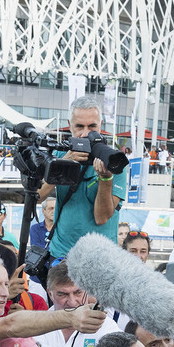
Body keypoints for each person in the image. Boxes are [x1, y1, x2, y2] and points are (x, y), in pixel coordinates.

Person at [39, 96, 126, 259]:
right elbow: (38, 196)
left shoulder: (114, 161)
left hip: (101, 258)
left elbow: (101, 218)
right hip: (61, 255)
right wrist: (63, 164)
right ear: (69, 125)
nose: (86, 133)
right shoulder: (59, 154)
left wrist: (106, 179)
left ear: (101, 124)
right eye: (79, 126)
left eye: (92, 126)